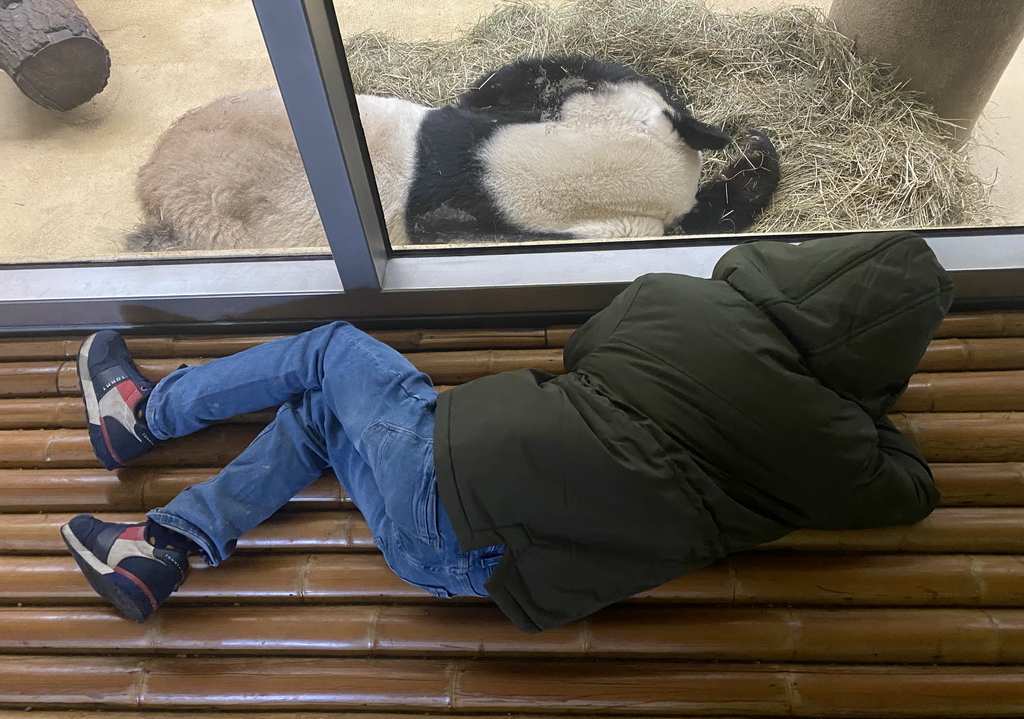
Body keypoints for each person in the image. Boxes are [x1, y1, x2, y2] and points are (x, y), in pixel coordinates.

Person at [62, 231, 953, 633]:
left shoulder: (680, 304)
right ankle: (167, 541)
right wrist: (856, 409)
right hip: (476, 573)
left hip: (453, 473)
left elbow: (584, 347)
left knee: (335, 350)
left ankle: (143, 414)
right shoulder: (834, 450)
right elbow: (912, 493)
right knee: (321, 414)